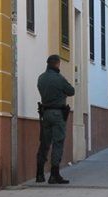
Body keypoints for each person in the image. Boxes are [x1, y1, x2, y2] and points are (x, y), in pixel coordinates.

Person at [36, 55, 75, 184]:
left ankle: (39, 174)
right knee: (58, 143)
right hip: (58, 114)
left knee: (45, 143)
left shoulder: (41, 78)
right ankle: (54, 174)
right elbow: (71, 91)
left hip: (45, 114)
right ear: (57, 64)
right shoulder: (59, 79)